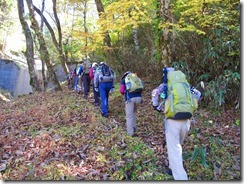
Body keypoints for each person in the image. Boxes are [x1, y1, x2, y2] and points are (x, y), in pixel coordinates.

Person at [151, 67, 202, 180]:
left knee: (175, 149)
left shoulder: (165, 85)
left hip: (173, 120)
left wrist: (156, 106)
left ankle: (181, 178)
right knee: (177, 146)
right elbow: (198, 94)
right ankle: (171, 167)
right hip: (186, 120)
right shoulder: (186, 85)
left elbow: (154, 93)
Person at [119, 71, 144, 136]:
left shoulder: (125, 79)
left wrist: (124, 93)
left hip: (130, 99)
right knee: (134, 113)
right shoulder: (137, 78)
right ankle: (134, 128)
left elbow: (121, 91)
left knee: (129, 116)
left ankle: (130, 133)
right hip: (139, 98)